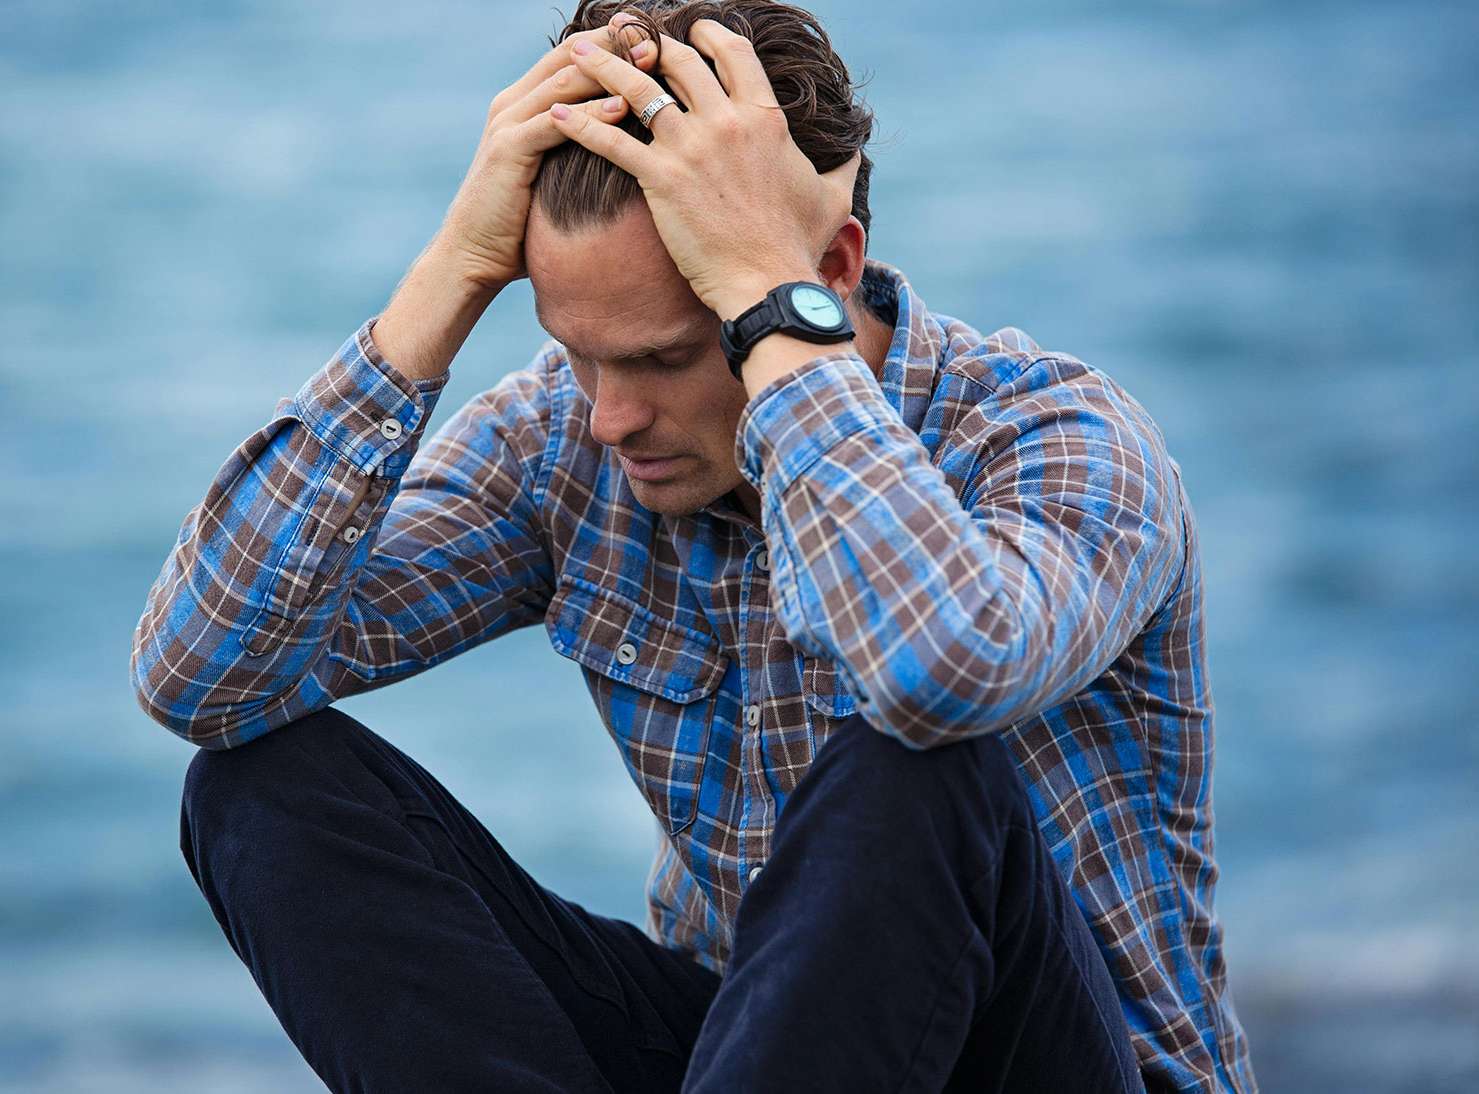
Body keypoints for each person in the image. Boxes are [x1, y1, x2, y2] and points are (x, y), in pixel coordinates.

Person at [131, 1, 1257, 1090]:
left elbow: (936, 670)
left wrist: (772, 314)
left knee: (911, 763)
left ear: (827, 267)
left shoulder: (1057, 440)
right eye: (579, 353)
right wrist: (449, 276)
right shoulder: (564, 443)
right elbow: (203, 678)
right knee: (260, 789)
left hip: (1052, 1058)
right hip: (745, 1043)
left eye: (665, 358)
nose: (611, 415)